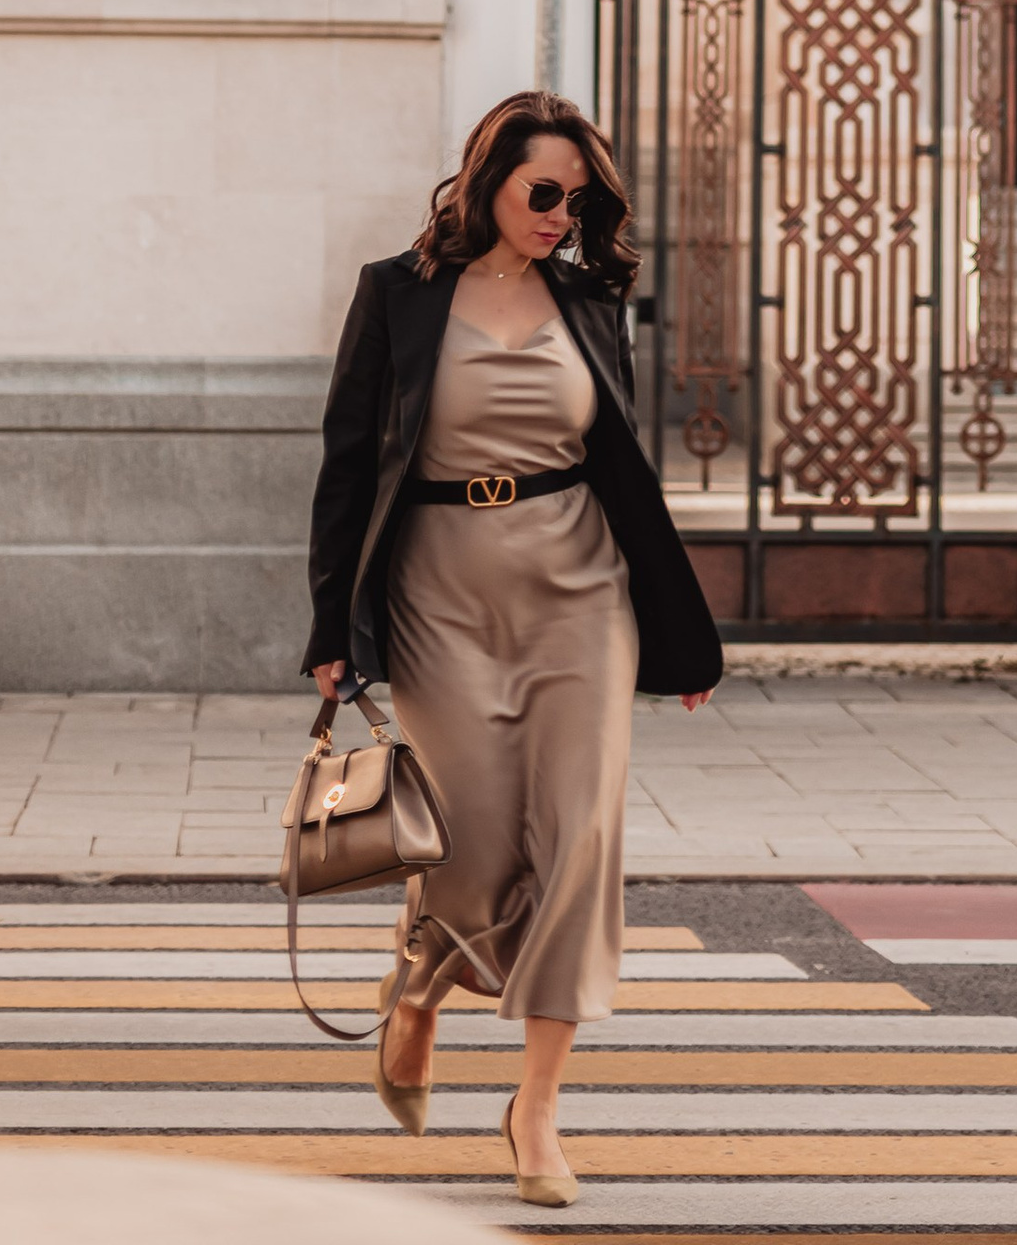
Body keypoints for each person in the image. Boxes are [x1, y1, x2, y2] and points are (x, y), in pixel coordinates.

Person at [302, 89, 723, 1203]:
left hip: (579, 591)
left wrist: (679, 640)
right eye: (544, 192)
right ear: (486, 179)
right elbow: (350, 464)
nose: (560, 215)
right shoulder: (397, 294)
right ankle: (420, 998)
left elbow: (624, 463)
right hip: (439, 591)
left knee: (578, 840)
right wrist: (331, 628)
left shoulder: (588, 296)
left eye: (578, 200)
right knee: (473, 848)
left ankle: (534, 1110)